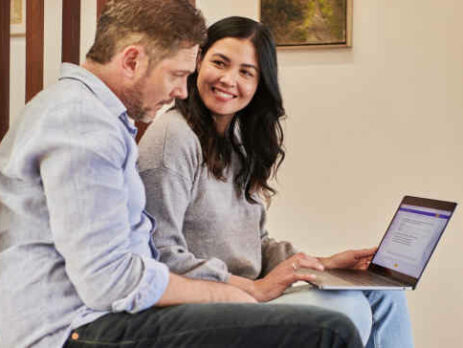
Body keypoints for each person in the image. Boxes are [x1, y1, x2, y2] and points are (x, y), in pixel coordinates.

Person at [0, 2, 363, 348]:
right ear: (132, 60)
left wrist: (313, 266)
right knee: (330, 332)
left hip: (100, 315)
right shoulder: (83, 125)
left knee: (353, 305)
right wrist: (232, 293)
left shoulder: (94, 118)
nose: (180, 91)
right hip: (72, 328)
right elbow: (110, 280)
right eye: (177, 75)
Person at [138, 16, 414, 348]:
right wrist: (252, 287)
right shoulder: (173, 137)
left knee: (383, 295)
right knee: (347, 307)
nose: (229, 79)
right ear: (199, 62)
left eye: (246, 72)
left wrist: (320, 265)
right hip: (207, 305)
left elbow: (256, 242)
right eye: (220, 63)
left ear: (259, 84)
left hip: (250, 292)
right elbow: (159, 254)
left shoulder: (238, 140)